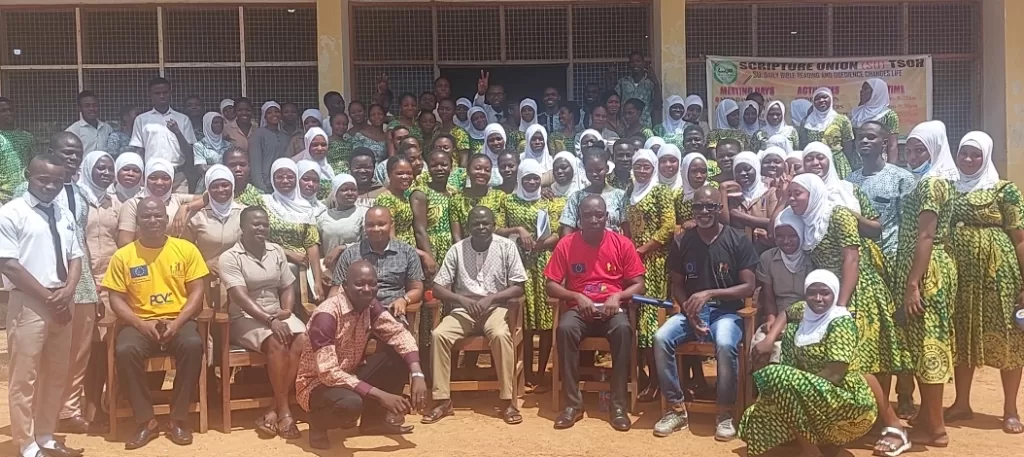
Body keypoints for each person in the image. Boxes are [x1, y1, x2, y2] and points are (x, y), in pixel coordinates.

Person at [781, 174, 911, 454]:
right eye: (789, 193)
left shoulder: (837, 214)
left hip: (855, 292)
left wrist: (841, 306)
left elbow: (852, 258)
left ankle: (895, 426)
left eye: (797, 193)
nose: (791, 199)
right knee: (848, 363)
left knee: (860, 363)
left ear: (814, 193)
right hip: (825, 295)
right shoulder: (806, 220)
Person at [653, 185, 758, 441]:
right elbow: (677, 285)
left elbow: (748, 286)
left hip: (728, 313)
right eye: (698, 206)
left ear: (719, 209)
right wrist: (689, 312)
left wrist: (709, 293)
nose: (704, 211)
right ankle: (676, 409)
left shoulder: (737, 239)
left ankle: (725, 412)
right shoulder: (682, 241)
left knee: (725, 342)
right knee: (661, 338)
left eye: (710, 206)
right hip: (692, 313)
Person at [737, 270, 878, 457]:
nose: (818, 298)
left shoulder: (840, 323)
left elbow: (835, 373)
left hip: (843, 401)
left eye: (825, 293)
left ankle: (810, 449)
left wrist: (795, 389)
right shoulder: (805, 309)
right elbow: (786, 313)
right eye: (812, 292)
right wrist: (770, 339)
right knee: (754, 419)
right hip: (809, 391)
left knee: (776, 376)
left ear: (835, 293)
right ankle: (820, 444)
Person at [104, 197, 208, 449]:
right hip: (139, 322)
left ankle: (178, 419)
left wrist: (177, 322)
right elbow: (115, 298)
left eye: (158, 215)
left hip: (178, 319)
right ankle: (146, 421)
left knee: (193, 345)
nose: (153, 220)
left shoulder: (186, 249)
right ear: (137, 221)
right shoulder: (123, 256)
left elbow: (197, 291)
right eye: (146, 216)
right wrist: (140, 324)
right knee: (125, 350)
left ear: (167, 218)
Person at [1, 153, 86, 457]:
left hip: (62, 301)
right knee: (24, 377)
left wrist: (68, 291)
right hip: (29, 303)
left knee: (56, 373)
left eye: (57, 181)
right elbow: (9, 265)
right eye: (43, 179)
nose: (50, 186)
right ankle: (26, 444)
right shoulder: (11, 213)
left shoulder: (64, 213)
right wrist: (49, 298)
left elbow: (76, 257)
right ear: (28, 175)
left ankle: (46, 436)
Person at [297, 260, 428, 450]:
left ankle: (373, 421)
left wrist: (417, 373)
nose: (367, 289)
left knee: (399, 355)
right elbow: (328, 373)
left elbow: (398, 334)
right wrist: (381, 396)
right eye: (359, 284)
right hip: (316, 384)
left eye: (372, 283)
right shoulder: (326, 316)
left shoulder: (369, 306)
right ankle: (317, 423)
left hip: (349, 373)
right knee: (350, 404)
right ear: (345, 286)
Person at [885, 120, 960, 445]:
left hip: (926, 273)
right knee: (920, 344)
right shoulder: (935, 180)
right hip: (922, 267)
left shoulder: (931, 184)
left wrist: (913, 284)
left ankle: (937, 429)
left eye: (921, 151)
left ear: (936, 150)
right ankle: (929, 417)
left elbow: (926, 236)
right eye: (910, 150)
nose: (913, 156)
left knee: (929, 345)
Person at [945, 131, 1024, 435]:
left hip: (998, 277)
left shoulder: (1005, 191)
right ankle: (961, 403)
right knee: (962, 335)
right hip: (961, 275)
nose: (968, 159)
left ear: (986, 156)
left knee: (1007, 338)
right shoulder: (950, 187)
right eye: (963, 153)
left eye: (975, 154)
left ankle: (1010, 410)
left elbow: (1020, 239)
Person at [546, 194, 645, 431]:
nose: (593, 220)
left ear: (606, 217)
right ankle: (572, 405)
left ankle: (618, 406)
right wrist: (576, 296)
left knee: (623, 330)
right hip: (579, 309)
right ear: (579, 218)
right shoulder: (567, 244)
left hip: (612, 309)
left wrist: (618, 296)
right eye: (587, 215)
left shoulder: (622, 243)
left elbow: (639, 284)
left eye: (598, 215)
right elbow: (550, 285)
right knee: (565, 329)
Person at [424, 206, 527, 425]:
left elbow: (519, 286)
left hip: (495, 308)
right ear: (468, 227)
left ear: (494, 225)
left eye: (485, 223)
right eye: (476, 224)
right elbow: (438, 287)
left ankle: (507, 400)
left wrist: (491, 298)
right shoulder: (457, 249)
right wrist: (462, 300)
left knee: (500, 334)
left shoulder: (507, 247)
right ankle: (442, 400)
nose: (481, 227)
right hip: (465, 310)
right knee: (439, 335)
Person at [219, 206, 308, 439]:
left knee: (304, 339)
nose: (262, 228)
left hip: (277, 313)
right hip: (244, 317)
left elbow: (287, 285)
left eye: (265, 224)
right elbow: (239, 296)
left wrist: (286, 310)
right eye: (256, 224)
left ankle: (273, 409)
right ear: (242, 227)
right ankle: (285, 411)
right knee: (276, 341)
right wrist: (270, 320)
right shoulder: (230, 257)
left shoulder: (276, 251)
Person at [500, 160, 560, 391]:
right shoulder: (509, 201)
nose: (532, 182)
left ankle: (541, 373)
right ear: (520, 179)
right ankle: (525, 374)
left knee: (545, 321)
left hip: (543, 263)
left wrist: (539, 245)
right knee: (523, 320)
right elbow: (498, 229)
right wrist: (518, 230)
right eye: (527, 178)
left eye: (536, 178)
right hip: (518, 264)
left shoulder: (548, 201)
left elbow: (558, 233)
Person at [624, 149, 676, 402]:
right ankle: (644, 378)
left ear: (654, 168)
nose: (642, 170)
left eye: (647, 166)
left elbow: (668, 226)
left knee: (652, 320)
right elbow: (626, 224)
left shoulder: (660, 191)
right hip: (634, 262)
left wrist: (643, 249)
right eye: (638, 166)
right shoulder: (629, 191)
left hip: (655, 263)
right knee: (636, 317)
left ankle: (658, 381)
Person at [237, 158, 324, 299]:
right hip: (267, 263)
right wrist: (287, 253)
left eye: (290, 177)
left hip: (301, 269)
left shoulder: (305, 208)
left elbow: (312, 244)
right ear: (272, 178)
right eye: (279, 177)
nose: (285, 181)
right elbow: (253, 235)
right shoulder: (262, 202)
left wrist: (317, 282)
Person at [330, 207, 425, 318]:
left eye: (381, 224)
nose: (376, 229)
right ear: (364, 227)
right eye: (370, 225)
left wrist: (404, 300)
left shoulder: (407, 253)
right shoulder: (350, 254)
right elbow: (336, 289)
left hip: (391, 313)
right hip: (356, 314)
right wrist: (330, 311)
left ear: (391, 225)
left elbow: (417, 288)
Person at [751, 211, 813, 367]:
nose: (786, 241)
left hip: (806, 319)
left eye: (792, 236)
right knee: (759, 346)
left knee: (781, 349)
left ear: (801, 233)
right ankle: (761, 383)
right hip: (776, 315)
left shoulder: (812, 259)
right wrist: (771, 319)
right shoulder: (768, 258)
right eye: (780, 236)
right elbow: (768, 296)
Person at [845, 121, 916, 258]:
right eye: (860, 137)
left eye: (871, 137)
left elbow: (910, 226)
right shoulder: (849, 181)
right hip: (860, 258)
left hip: (891, 256)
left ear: (884, 143)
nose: (864, 141)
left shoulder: (901, 178)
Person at [129, 78, 197, 190]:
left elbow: (189, 152)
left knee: (180, 202)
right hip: (152, 175)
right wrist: (139, 174)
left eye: (165, 92)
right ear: (150, 95)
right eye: (157, 93)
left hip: (177, 176)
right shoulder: (141, 120)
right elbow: (139, 151)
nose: (161, 96)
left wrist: (177, 132)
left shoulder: (183, 119)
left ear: (170, 93)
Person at [115, 159, 193, 246]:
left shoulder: (177, 199)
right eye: (153, 178)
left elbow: (204, 198)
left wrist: (186, 207)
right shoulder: (133, 204)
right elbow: (125, 243)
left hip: (174, 253)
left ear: (172, 181)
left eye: (165, 178)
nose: (159, 182)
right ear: (145, 179)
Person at [184, 164, 242, 274]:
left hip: (239, 275)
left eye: (225, 185)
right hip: (206, 275)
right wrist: (203, 264)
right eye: (214, 186)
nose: (220, 190)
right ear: (208, 189)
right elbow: (185, 249)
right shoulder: (197, 217)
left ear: (232, 186)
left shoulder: (244, 213)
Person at [560, 146, 627, 235]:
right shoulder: (576, 197)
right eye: (590, 171)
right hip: (584, 243)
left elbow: (626, 230)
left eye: (599, 170)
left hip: (613, 243)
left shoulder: (620, 196)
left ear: (607, 168)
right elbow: (567, 232)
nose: (594, 174)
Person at [728, 151, 779, 252]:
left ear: (756, 168)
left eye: (747, 169)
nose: (743, 174)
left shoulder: (770, 192)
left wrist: (740, 216)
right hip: (738, 251)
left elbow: (772, 222)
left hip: (764, 250)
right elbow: (725, 223)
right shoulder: (731, 195)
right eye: (738, 171)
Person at [317, 174, 366, 276]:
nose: (350, 193)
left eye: (353, 189)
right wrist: (322, 272)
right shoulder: (323, 217)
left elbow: (369, 244)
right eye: (344, 190)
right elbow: (318, 249)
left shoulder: (364, 214)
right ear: (335, 193)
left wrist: (343, 248)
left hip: (356, 270)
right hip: (329, 272)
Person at [800, 87, 855, 178]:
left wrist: (845, 161)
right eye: (817, 98)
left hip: (837, 165)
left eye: (825, 97)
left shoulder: (842, 120)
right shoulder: (806, 122)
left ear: (831, 99)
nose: (822, 100)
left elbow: (848, 145)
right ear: (813, 102)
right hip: (815, 165)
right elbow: (803, 145)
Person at [850, 79, 900, 164]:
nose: (862, 92)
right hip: (856, 161)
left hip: (879, 162)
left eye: (866, 89)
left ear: (877, 92)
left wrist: (892, 168)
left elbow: (892, 145)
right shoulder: (855, 113)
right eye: (862, 89)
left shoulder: (888, 115)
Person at [249, 101, 294, 192]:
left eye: (277, 111)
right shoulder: (258, 135)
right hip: (265, 184)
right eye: (269, 112)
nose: (274, 114)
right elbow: (255, 164)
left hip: (282, 184)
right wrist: (261, 188)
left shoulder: (285, 136)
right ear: (264, 116)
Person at [610, 52, 660, 128]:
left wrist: (656, 84)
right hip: (625, 126)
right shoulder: (622, 83)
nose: (635, 64)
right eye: (632, 62)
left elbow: (657, 105)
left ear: (643, 63)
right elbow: (615, 102)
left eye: (638, 61)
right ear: (629, 64)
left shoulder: (650, 83)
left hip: (645, 125)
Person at [193, 112, 232, 193]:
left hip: (226, 183)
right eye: (215, 122)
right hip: (206, 185)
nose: (219, 125)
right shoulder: (200, 146)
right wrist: (224, 167)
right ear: (207, 125)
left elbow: (233, 165)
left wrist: (212, 167)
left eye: (221, 123)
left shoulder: (228, 145)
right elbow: (202, 168)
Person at [0, 97, 36, 164]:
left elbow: (33, 161)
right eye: (3, 111)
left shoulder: (26, 137)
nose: (9, 113)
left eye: (11, 110)